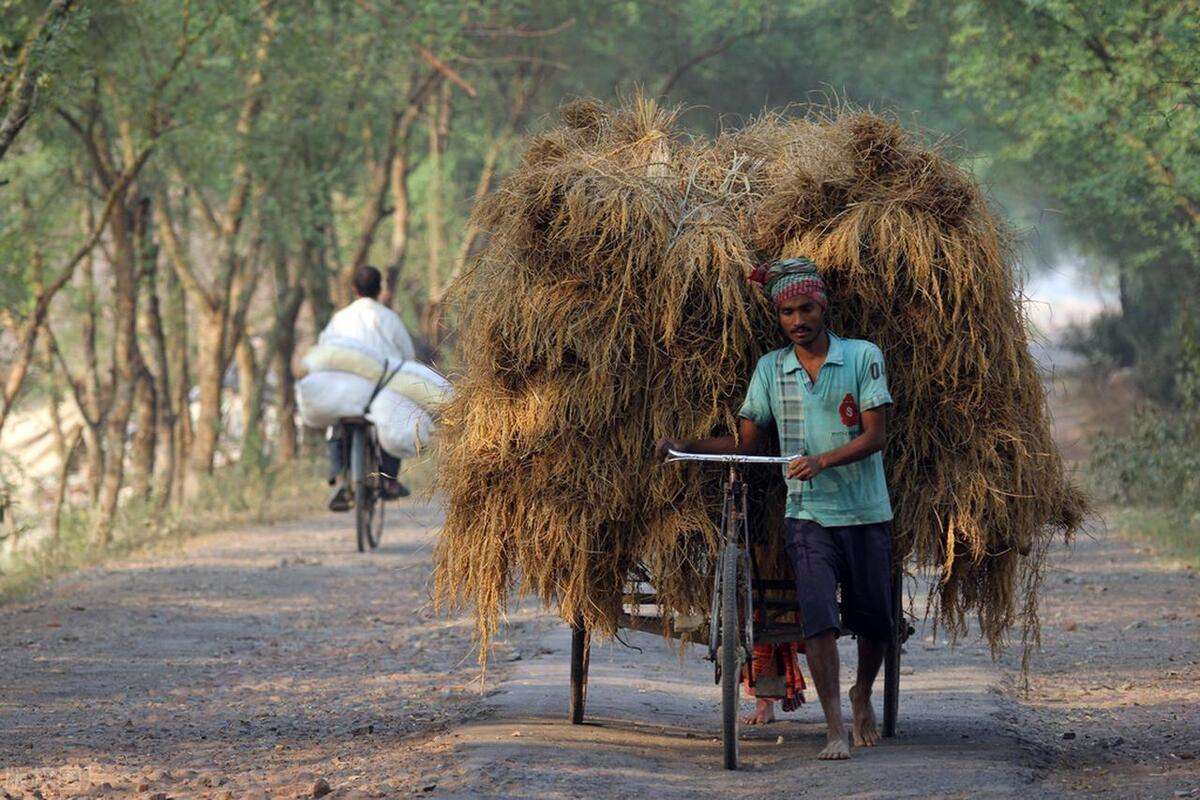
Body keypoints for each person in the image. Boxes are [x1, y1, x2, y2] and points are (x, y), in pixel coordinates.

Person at [656, 257, 895, 761]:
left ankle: (863, 695)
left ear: (823, 307)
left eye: (806, 309)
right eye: (787, 312)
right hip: (805, 514)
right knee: (819, 622)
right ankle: (835, 727)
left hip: (865, 511)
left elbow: (876, 434)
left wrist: (824, 460)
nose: (797, 320)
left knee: (874, 622)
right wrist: (683, 443)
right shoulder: (771, 368)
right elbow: (747, 440)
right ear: (779, 316)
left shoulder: (862, 357)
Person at [322, 265, 414, 511]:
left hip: (348, 391)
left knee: (336, 426)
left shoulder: (339, 320)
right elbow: (408, 356)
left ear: (354, 289)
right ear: (380, 289)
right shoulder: (390, 319)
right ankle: (390, 481)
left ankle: (340, 476)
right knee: (394, 423)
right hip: (382, 392)